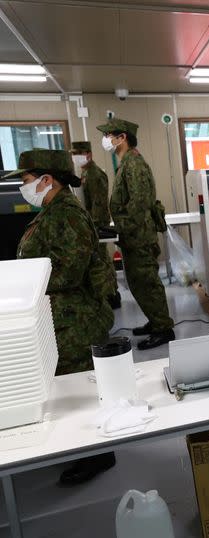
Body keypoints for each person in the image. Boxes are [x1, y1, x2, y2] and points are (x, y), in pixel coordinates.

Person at [5, 149, 117, 485]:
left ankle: (97, 454)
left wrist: (26, 281)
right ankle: (82, 449)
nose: (23, 188)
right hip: (62, 319)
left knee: (78, 390)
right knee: (69, 388)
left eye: (26, 181)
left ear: (46, 180)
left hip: (75, 322)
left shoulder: (65, 214)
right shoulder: (53, 211)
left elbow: (68, 272)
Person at [97, 118, 175, 350]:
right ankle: (155, 320)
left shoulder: (134, 164)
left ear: (122, 138)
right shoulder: (126, 163)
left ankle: (164, 329)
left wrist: (122, 227)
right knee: (138, 283)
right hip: (131, 234)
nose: (107, 139)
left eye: (110, 135)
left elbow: (139, 203)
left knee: (147, 283)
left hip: (138, 236)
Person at [70, 140, 121, 309]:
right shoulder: (85, 173)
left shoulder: (95, 174)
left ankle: (112, 295)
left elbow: (99, 204)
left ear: (88, 155)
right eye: (73, 154)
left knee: (102, 260)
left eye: (78, 154)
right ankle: (110, 293)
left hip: (97, 224)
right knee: (101, 260)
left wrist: (93, 228)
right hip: (92, 223)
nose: (75, 158)